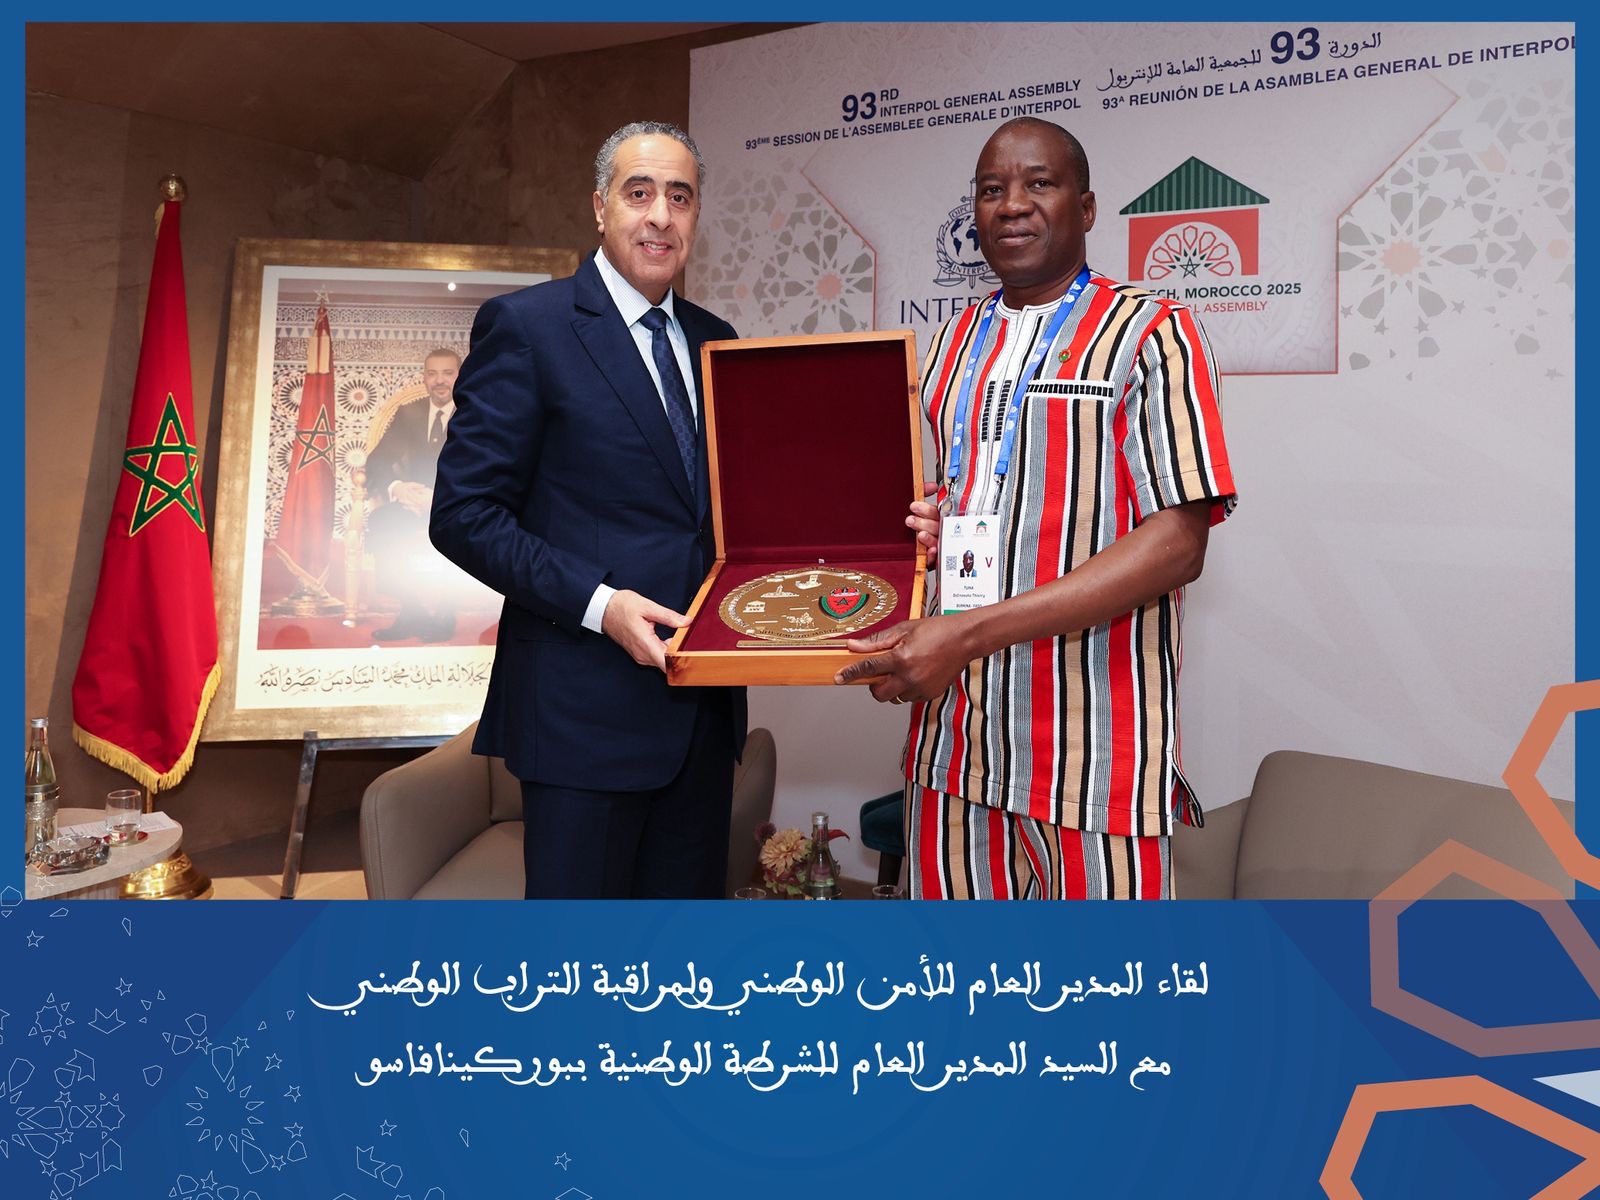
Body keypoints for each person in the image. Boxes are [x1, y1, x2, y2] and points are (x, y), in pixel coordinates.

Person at [837, 118, 1237, 900]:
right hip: (955, 745)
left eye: (1039, 184)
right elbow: (980, 494)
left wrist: (968, 633)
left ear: (1086, 208)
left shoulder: (1153, 332)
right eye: (992, 189)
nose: (1012, 204)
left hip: (1093, 757)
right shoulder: (950, 343)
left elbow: (1178, 543)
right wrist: (935, 525)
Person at [430, 120, 745, 899]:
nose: (660, 216)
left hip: (702, 722)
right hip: (583, 722)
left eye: (680, 197)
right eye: (639, 193)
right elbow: (464, 514)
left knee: (684, 957)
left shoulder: (718, 342)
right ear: (600, 207)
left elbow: (728, 514)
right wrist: (602, 607)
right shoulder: (527, 328)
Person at [366, 347, 460, 642]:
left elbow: (487, 467)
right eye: (432, 374)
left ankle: (445, 613)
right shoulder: (410, 413)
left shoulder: (475, 413)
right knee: (381, 521)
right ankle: (411, 610)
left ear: (460, 376)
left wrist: (439, 498)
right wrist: (399, 488)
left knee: (459, 532)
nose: (439, 380)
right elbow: (377, 461)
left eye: (447, 373)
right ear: (424, 378)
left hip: (458, 505)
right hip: (413, 503)